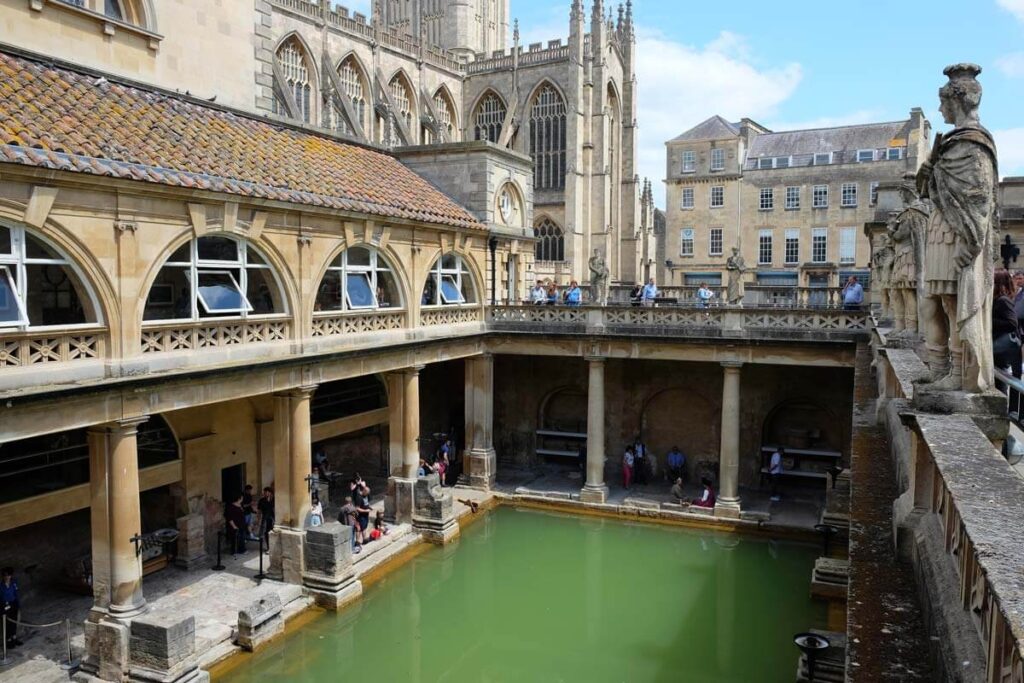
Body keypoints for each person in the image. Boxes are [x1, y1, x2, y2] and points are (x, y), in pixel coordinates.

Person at [992, 269, 1021, 391]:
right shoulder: (998, 300)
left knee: (1000, 378)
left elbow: (1012, 323)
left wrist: (990, 322)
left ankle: (1002, 408)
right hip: (999, 346)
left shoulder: (1003, 301)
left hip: (1002, 348)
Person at [1, 567, 21, 648]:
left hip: (13, 604)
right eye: (5, 576)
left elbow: (16, 594)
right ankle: (8, 640)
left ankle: (14, 638)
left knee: (14, 622)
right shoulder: (1, 585)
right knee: (7, 624)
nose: (7, 577)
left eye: (8, 575)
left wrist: (18, 605)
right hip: (5, 605)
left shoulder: (14, 583)